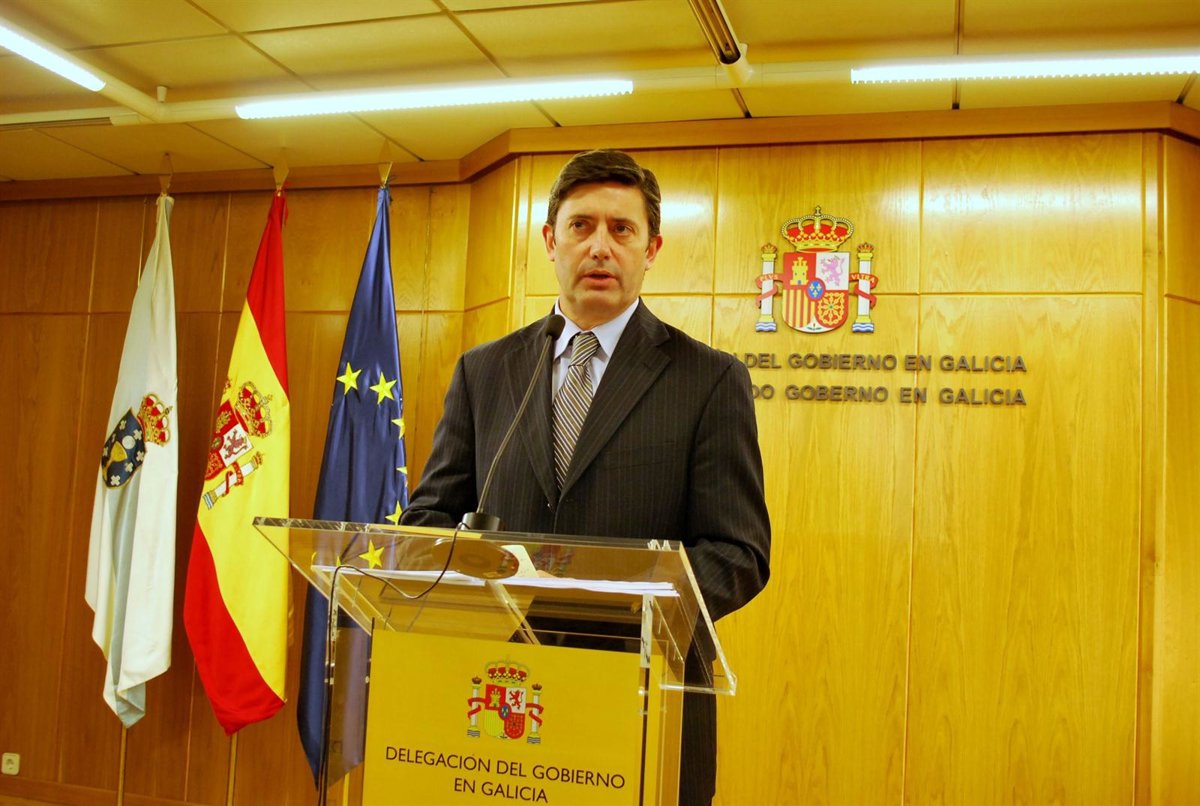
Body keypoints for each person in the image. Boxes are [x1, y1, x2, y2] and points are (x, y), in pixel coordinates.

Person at [401, 148, 771, 804]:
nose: (601, 246)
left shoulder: (709, 379)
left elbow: (738, 555)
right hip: (497, 699)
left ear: (651, 249)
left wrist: (611, 605)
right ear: (551, 241)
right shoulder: (485, 371)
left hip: (643, 700)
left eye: (622, 229)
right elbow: (429, 519)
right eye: (581, 226)